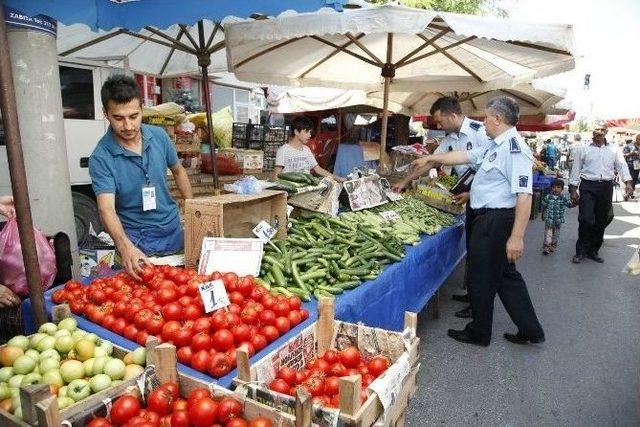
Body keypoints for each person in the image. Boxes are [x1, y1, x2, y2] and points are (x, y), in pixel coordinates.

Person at [410, 96, 545, 346]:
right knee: (505, 277)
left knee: (482, 276)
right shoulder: (496, 145)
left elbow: (524, 195)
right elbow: (464, 156)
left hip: (495, 221)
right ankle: (531, 329)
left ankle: (479, 332)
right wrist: (431, 159)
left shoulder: (514, 148)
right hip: (489, 217)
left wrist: (517, 236)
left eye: (486, 117)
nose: (483, 122)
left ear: (498, 119)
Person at [392, 96, 490, 318]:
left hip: (483, 196)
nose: (439, 126)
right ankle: (473, 293)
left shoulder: (480, 132)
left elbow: (491, 170)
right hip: (465, 193)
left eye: (440, 122)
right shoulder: (450, 138)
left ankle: (479, 305)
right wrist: (405, 181)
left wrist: (474, 192)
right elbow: (433, 161)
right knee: (473, 249)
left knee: (482, 253)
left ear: (452, 115)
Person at [89, 75, 193, 280]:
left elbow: (178, 170)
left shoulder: (160, 136)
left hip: (173, 230)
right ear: (105, 114)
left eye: (134, 116)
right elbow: (106, 209)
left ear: (142, 109)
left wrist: (191, 206)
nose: (128, 126)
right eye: (118, 118)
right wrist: (125, 247)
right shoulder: (101, 157)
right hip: (136, 241)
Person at [569, 124, 633, 264]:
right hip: (588, 186)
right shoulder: (583, 149)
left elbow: (622, 165)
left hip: (606, 187)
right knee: (586, 219)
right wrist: (573, 189)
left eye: (601, 131)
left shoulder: (614, 149)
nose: (598, 133)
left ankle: (593, 250)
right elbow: (576, 169)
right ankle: (581, 251)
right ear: (592, 133)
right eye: (596, 131)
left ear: (606, 132)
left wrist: (628, 182)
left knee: (602, 219)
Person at [274, 116, 344, 181]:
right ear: (296, 132)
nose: (310, 135)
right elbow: (276, 176)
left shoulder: (306, 150)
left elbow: (318, 169)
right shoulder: (283, 150)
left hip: (306, 190)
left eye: (310, 132)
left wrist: (338, 178)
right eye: (306, 132)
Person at [541, 178, 574, 255]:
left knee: (556, 234)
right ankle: (546, 247)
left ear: (562, 189)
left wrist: (575, 202)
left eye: (558, 187)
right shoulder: (548, 197)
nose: (556, 189)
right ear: (551, 188)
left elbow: (569, 205)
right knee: (548, 233)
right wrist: (543, 214)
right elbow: (544, 206)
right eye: (554, 187)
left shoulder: (563, 198)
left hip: (558, 221)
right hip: (549, 220)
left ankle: (553, 245)